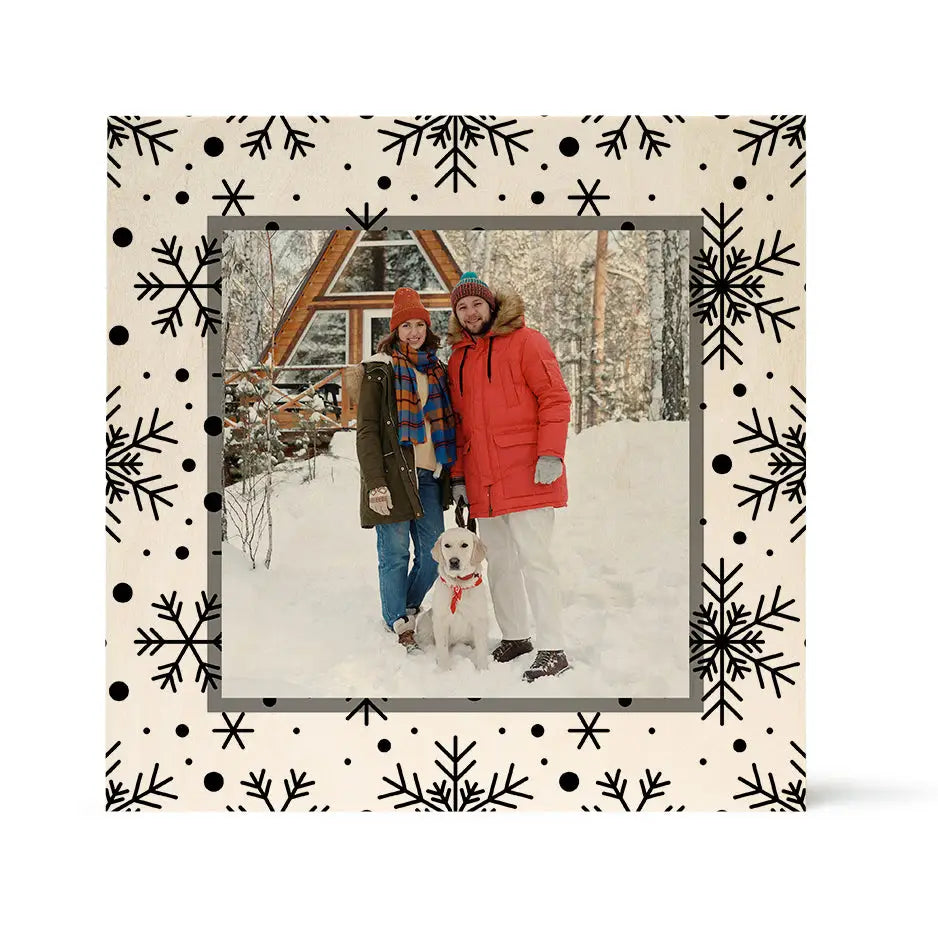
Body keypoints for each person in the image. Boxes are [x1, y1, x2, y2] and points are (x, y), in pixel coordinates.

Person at [446, 272, 572, 681]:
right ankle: (516, 636)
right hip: (484, 482)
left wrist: (551, 452)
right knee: (498, 562)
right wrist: (461, 478)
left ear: (491, 305)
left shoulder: (527, 341)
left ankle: (553, 648)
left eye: (476, 304)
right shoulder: (458, 359)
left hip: (528, 475)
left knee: (536, 562)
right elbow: (460, 426)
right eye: (461, 308)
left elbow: (554, 397)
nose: (470, 313)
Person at [350, 287, 456, 648]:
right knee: (394, 553)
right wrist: (374, 483)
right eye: (406, 325)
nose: (414, 332)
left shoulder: (437, 371)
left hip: (430, 475)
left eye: (419, 325)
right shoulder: (381, 369)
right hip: (394, 475)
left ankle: (408, 605)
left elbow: (449, 425)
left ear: (427, 328)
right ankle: (396, 619)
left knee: (434, 554)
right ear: (395, 330)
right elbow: (367, 430)